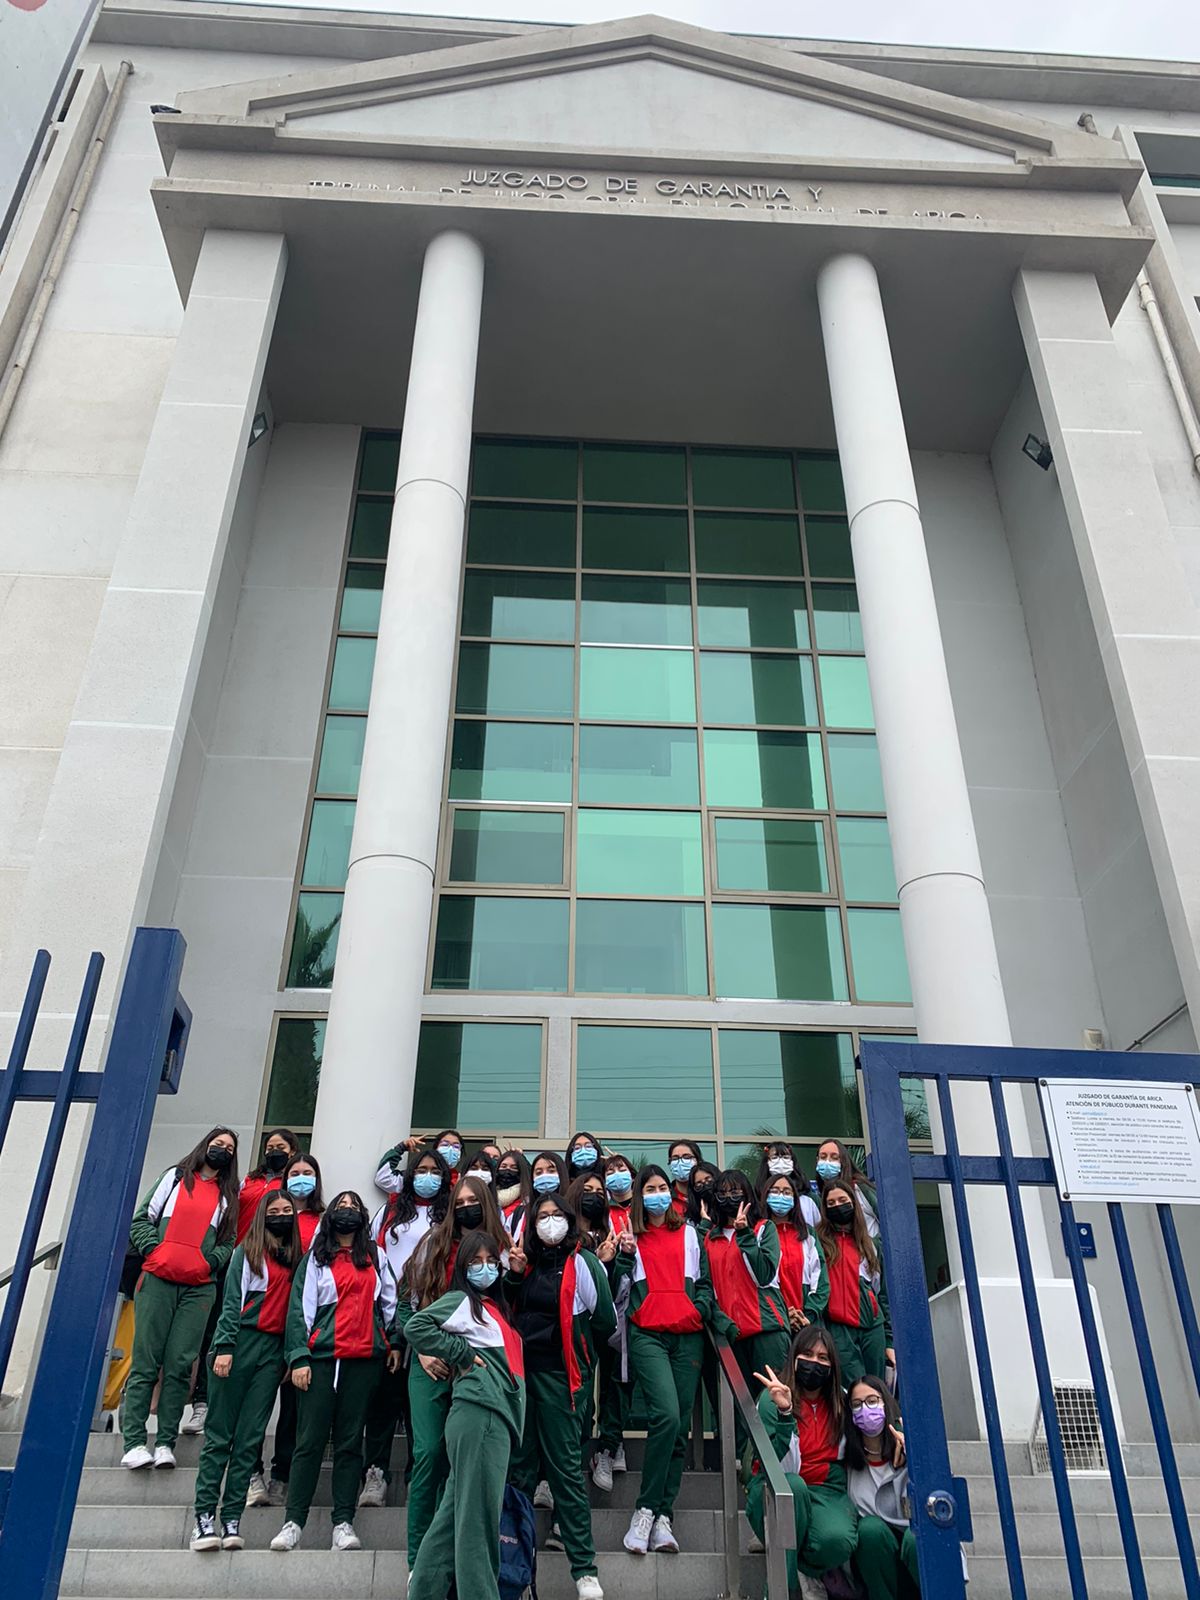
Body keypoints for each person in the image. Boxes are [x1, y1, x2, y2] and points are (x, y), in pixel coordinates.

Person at [269, 1191, 397, 1552]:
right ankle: (293, 1522)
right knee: (309, 1441)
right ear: (330, 1216)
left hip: (363, 1361)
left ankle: (343, 1523)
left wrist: (394, 1342)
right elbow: (300, 1309)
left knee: (350, 1443)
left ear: (363, 1216)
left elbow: (391, 1304)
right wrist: (298, 1357)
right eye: (341, 1206)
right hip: (321, 1361)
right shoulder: (315, 1258)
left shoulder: (376, 1256)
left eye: (354, 1207)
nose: (347, 1211)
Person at [401, 1230, 526, 1600]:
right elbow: (415, 1326)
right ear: (462, 1268)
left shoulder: (494, 1308)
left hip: (485, 1417)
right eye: (475, 1262)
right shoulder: (462, 1302)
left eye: (491, 1261)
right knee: (478, 1526)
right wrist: (460, 1353)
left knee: (449, 1524)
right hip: (482, 1415)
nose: (484, 1268)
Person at [504, 1191, 613, 1600]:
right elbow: (504, 1309)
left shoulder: (583, 1262)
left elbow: (604, 1320)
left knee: (565, 1471)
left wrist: (581, 1363)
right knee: (519, 1471)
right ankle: (514, 1571)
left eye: (556, 1214)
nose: (550, 1222)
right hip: (520, 1380)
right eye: (542, 1216)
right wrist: (514, 1275)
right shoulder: (523, 1262)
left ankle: (585, 1570)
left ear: (569, 1219)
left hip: (561, 1380)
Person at [400, 1174, 509, 1568]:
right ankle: (417, 1562)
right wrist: (422, 1350)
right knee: (429, 1453)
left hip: (478, 1368)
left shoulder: (502, 1250)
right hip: (431, 1362)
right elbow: (406, 1304)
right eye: (459, 1202)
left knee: (462, 1462)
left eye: (472, 1201)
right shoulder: (434, 1243)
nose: (465, 1208)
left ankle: (448, 1561)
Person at [611, 1162, 715, 1555]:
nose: (657, 1195)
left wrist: (699, 1309)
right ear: (639, 1196)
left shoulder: (690, 1233)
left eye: (661, 1188)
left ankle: (662, 1516)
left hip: (688, 1338)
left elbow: (705, 1284)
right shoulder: (631, 1237)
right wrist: (622, 1257)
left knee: (678, 1429)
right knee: (667, 1416)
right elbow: (613, 1290)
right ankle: (644, 1510)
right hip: (648, 1335)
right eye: (649, 1189)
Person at [121, 1128, 239, 1469]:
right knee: (146, 1361)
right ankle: (134, 1443)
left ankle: (165, 1443)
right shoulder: (174, 1178)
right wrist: (155, 1251)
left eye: (229, 1148)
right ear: (205, 1145)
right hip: (157, 1280)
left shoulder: (228, 1195)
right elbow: (141, 1220)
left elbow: (228, 1241)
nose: (222, 1150)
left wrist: (208, 1263)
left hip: (198, 1289)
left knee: (179, 1365)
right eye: (218, 1143)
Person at [190, 1191, 301, 1551]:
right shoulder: (246, 1252)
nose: (281, 1215)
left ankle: (232, 1517)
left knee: (250, 1439)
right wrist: (224, 1347)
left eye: (287, 1210)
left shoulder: (295, 1259)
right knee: (220, 1436)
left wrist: (288, 1356)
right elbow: (231, 1303)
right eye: (274, 1210)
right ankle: (203, 1518)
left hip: (272, 1353)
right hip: (238, 1344)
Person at [186, 1129, 301, 1437]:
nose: (274, 1151)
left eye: (281, 1147)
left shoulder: (291, 1184)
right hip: (237, 1259)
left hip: (272, 1268)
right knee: (215, 1332)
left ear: (293, 1151)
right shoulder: (248, 1181)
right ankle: (202, 1401)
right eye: (269, 1146)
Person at [358, 1149, 454, 1510]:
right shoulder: (392, 1212)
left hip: (431, 1314)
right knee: (384, 1399)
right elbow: (372, 1254)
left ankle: (419, 1477)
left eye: (434, 1171)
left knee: (422, 1409)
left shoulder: (449, 1216)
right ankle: (376, 1474)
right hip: (389, 1311)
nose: (427, 1176)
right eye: (421, 1170)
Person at [750, 1326, 859, 1600]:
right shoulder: (771, 1399)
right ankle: (780, 1591)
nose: (815, 1363)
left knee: (839, 1542)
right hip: (773, 1491)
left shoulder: (841, 1401)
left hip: (826, 1493)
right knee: (793, 1487)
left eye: (823, 1358)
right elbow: (776, 1469)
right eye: (808, 1354)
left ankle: (805, 1569)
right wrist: (786, 1412)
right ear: (795, 1357)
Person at [245, 1150, 327, 1508]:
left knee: (293, 1408)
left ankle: (282, 1475)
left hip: (300, 1326)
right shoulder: (268, 1216)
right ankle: (251, 1473)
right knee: (255, 1406)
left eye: (308, 1173)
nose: (301, 1178)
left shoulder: (322, 1221)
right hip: (264, 1323)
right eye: (295, 1172)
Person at [704, 1169, 790, 1451]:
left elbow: (765, 1273)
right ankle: (746, 1465)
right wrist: (721, 1322)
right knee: (740, 1409)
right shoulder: (710, 1238)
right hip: (732, 1335)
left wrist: (744, 1234)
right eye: (722, 1193)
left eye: (735, 1191)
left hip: (767, 1329)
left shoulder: (765, 1228)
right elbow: (707, 1288)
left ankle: (781, 1462)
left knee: (772, 1400)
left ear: (748, 1195)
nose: (729, 1198)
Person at [845, 1378, 917, 1599]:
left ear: (886, 1402)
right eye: (857, 1404)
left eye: (872, 1401)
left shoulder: (911, 1444)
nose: (865, 1409)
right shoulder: (847, 1458)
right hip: (876, 1562)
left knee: (916, 1537)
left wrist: (914, 1455)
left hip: (913, 1554)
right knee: (870, 1529)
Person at [817, 1182, 892, 1385]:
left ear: (853, 1203)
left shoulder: (870, 1244)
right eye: (831, 1203)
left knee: (876, 1388)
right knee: (852, 1389)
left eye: (842, 1200)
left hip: (873, 1327)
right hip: (838, 1329)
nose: (837, 1206)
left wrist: (889, 1341)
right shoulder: (819, 1242)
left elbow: (883, 1294)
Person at [761, 1169, 829, 1331]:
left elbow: (820, 1278)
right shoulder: (759, 1232)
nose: (781, 1196)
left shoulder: (808, 1234)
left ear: (795, 1198)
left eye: (787, 1192)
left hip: (808, 1323)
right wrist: (782, 1316)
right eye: (775, 1191)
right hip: (774, 1326)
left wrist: (808, 1315)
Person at [816, 1138, 880, 1239]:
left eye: (834, 1157)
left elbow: (888, 1220)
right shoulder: (820, 1195)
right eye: (823, 1157)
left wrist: (873, 1245)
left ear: (843, 1161)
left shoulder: (860, 1188)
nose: (827, 1161)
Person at [756, 1141, 820, 1227]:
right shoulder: (756, 1199)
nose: (780, 1162)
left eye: (786, 1157)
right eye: (775, 1157)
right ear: (767, 1162)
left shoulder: (810, 1199)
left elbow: (821, 1228)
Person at [496, 1149, 533, 1241]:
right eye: (503, 1166)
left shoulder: (527, 1201)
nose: (507, 1170)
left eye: (514, 1167)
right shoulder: (488, 1197)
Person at [666, 1139, 704, 1214]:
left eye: (686, 1157)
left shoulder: (706, 1194)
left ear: (698, 1161)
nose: (680, 1163)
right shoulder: (666, 1197)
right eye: (675, 1158)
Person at [601, 1154, 635, 1235]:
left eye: (622, 1170)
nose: (617, 1175)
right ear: (604, 1182)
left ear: (632, 1176)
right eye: (610, 1173)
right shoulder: (603, 1211)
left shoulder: (643, 1204)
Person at [686, 1160, 721, 1236]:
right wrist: (705, 1223)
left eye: (708, 1180)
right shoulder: (691, 1222)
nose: (705, 1185)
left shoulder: (730, 1213)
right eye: (699, 1184)